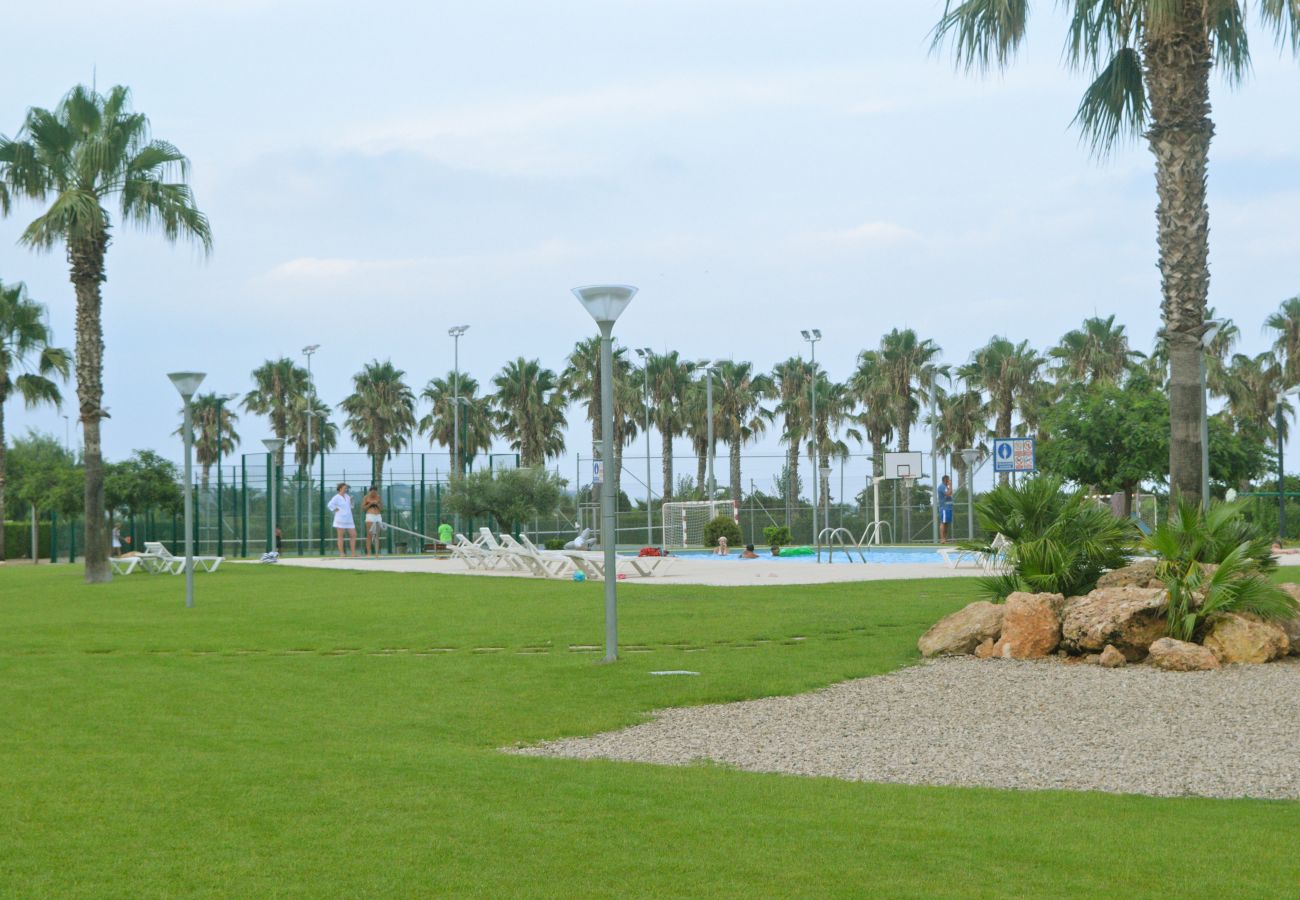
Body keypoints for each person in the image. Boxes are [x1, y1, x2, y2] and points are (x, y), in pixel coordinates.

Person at [327, 483, 357, 557]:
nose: (346, 489)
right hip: (340, 518)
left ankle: (353, 553)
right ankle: (341, 553)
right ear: (340, 489)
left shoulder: (347, 496)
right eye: (344, 488)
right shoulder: (336, 497)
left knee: (353, 534)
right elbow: (329, 505)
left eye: (346, 488)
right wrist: (335, 509)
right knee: (340, 536)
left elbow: (352, 507)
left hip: (349, 518)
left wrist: (352, 500)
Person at [362, 487, 383, 556]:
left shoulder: (378, 497)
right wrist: (370, 504)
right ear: (370, 491)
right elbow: (363, 508)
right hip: (370, 515)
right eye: (372, 492)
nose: (374, 494)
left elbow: (381, 508)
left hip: (378, 516)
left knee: (377, 535)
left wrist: (377, 504)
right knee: (369, 535)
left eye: (375, 492)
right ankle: (368, 553)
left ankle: (377, 553)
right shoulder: (366, 497)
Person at [938, 474, 954, 543]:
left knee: (946, 523)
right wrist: (950, 485)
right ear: (945, 480)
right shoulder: (942, 487)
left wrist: (949, 486)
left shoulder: (946, 487)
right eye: (948, 480)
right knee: (943, 522)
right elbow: (948, 493)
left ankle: (945, 538)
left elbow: (950, 493)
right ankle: (942, 539)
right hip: (944, 508)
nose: (949, 481)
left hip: (948, 508)